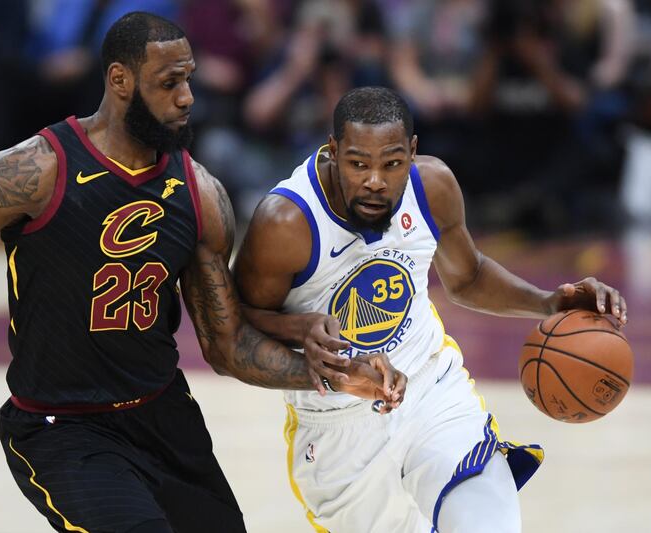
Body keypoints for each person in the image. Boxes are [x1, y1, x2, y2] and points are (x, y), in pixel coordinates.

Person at [0, 14, 404, 533]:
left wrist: (337, 376)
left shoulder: (201, 194)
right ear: (120, 80)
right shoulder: (35, 170)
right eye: (169, 82)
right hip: (63, 429)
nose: (187, 97)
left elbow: (227, 345)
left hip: (164, 420)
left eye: (189, 78)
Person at [234, 86, 628, 533]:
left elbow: (469, 277)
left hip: (431, 389)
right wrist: (300, 329)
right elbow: (234, 327)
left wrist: (547, 302)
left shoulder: (432, 186)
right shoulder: (286, 222)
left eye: (392, 163)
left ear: (413, 152)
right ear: (333, 150)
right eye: (358, 164)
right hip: (338, 427)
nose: (375, 181)